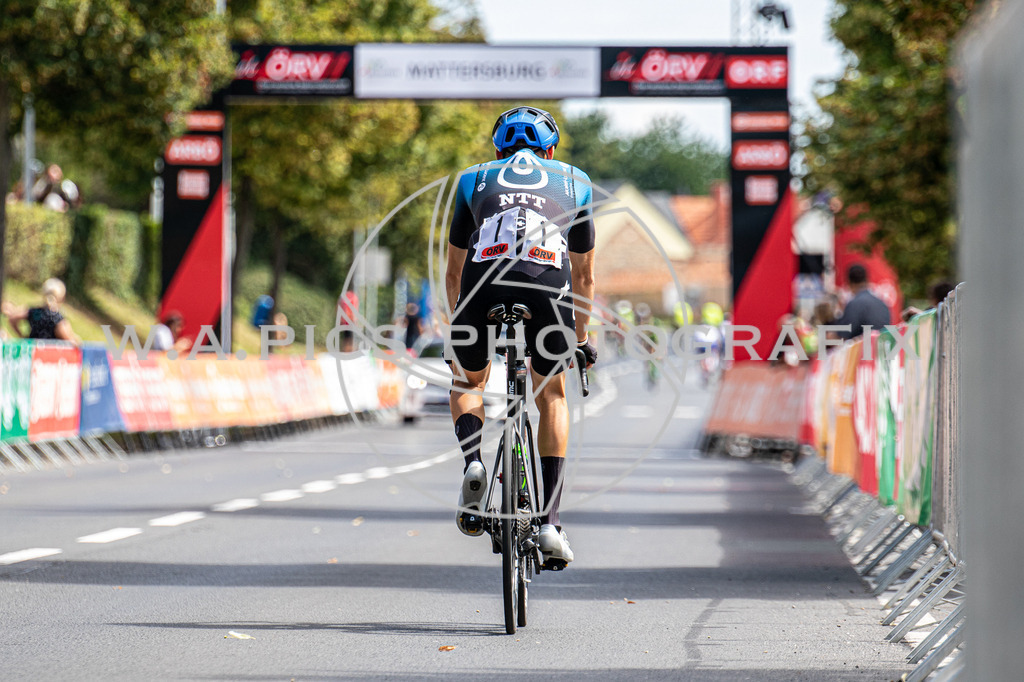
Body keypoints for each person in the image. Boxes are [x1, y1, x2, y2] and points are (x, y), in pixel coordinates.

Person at [445, 106, 597, 568]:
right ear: (551, 150)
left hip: (481, 283)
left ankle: (473, 459)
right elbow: (585, 274)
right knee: (551, 394)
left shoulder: (473, 179)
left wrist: (459, 328)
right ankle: (549, 522)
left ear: (497, 150)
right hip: (548, 285)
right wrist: (582, 337)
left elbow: (454, 270)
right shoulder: (575, 180)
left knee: (468, 382)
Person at [2, 278, 80, 343]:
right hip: (50, 357)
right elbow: (70, 341)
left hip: (32, 353)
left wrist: (22, 337)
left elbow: (12, 318)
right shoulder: (58, 319)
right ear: (61, 298)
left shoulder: (34, 312)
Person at [834, 264, 891, 339]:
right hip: (883, 347)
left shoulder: (854, 304)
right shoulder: (882, 304)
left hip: (865, 349)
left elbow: (842, 335)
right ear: (867, 281)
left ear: (850, 283)